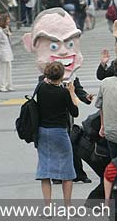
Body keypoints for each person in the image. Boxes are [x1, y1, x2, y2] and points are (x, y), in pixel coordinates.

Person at [35, 62, 79, 206]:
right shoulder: (63, 92)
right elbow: (75, 112)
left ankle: (47, 206)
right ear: (61, 76)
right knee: (67, 169)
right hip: (59, 132)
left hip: (42, 131)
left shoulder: (40, 87)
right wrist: (71, 91)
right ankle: (67, 206)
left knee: (45, 170)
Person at [0, 14, 14, 92]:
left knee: (8, 69)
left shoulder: (6, 29)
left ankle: (8, 85)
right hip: (2, 52)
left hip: (8, 52)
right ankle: (1, 86)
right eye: (7, 20)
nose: (8, 21)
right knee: (2, 70)